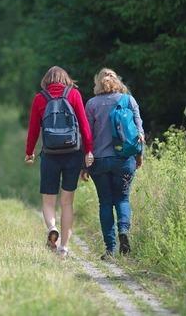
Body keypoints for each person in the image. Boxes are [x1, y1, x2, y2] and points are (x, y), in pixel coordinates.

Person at [25, 66, 94, 257]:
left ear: (46, 80)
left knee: (48, 201)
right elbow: (84, 125)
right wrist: (88, 150)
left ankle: (51, 228)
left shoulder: (40, 98)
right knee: (67, 203)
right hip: (73, 153)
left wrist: (29, 152)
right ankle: (63, 248)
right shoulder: (74, 95)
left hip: (50, 155)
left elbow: (33, 130)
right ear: (65, 79)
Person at [83, 68, 144, 258]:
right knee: (123, 199)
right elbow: (139, 132)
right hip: (124, 159)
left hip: (99, 161)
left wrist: (83, 164)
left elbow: (87, 136)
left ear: (98, 83)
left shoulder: (92, 104)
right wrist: (139, 156)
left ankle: (110, 249)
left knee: (105, 203)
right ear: (117, 81)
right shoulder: (128, 101)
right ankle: (123, 231)